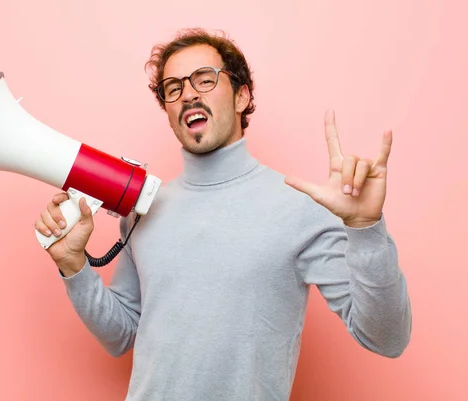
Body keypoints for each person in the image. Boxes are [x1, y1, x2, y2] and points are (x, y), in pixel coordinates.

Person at [34, 28, 412, 401]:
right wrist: (74, 266)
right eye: (173, 88)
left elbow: (387, 338)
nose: (188, 95)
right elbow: (121, 336)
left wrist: (366, 229)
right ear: (166, 108)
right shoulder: (141, 213)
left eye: (205, 79)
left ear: (242, 96)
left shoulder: (301, 208)